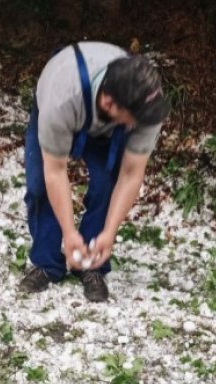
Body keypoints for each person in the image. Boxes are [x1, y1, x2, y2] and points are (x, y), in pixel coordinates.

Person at [19, 41, 170, 302]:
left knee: (106, 183)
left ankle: (91, 263)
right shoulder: (61, 100)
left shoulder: (145, 102)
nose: (144, 123)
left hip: (109, 122)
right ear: (110, 104)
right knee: (38, 185)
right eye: (137, 118)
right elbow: (55, 171)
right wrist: (69, 232)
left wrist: (109, 234)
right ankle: (47, 263)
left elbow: (131, 174)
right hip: (67, 100)